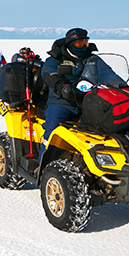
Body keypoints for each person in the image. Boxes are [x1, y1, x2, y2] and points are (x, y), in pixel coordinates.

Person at [39, 28, 98, 161]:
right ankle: (43, 166)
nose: (83, 47)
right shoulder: (56, 59)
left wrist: (124, 85)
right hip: (61, 102)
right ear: (70, 44)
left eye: (85, 43)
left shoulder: (92, 59)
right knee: (53, 129)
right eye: (79, 44)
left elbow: (107, 74)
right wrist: (60, 85)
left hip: (87, 102)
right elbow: (49, 73)